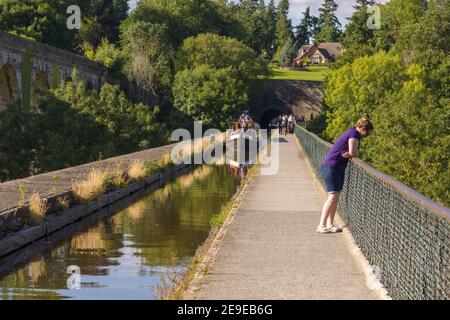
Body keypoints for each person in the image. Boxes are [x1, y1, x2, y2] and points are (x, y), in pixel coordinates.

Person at [317, 114, 374, 234]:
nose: (368, 136)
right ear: (363, 129)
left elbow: (350, 152)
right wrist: (352, 152)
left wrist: (348, 152)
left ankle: (330, 224)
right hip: (332, 167)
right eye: (368, 133)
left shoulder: (352, 132)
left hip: (336, 167)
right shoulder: (354, 135)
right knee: (332, 197)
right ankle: (321, 225)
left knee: (335, 198)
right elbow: (353, 153)